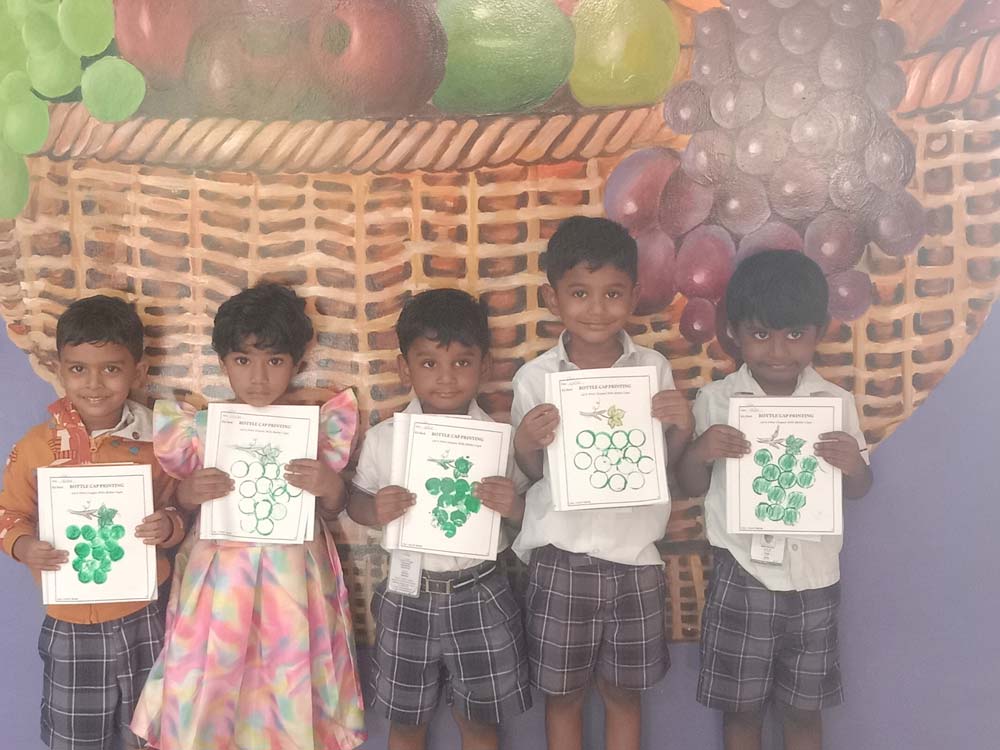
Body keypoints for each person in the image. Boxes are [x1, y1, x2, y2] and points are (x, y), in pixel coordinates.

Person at [130, 283, 365, 750]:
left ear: (296, 363)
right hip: (220, 579)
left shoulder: (313, 428)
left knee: (289, 670)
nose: (258, 377)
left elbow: (333, 506)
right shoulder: (200, 430)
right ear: (223, 363)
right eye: (243, 360)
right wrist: (190, 492)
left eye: (275, 361)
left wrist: (329, 486)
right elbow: (180, 504)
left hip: (293, 578)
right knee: (211, 670)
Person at [676, 250, 874, 750]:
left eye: (795, 334)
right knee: (741, 712)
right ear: (735, 332)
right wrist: (701, 450)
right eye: (761, 334)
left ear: (818, 333)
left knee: (804, 712)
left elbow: (859, 488)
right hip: (742, 573)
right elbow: (691, 484)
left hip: (814, 580)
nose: (779, 351)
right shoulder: (717, 400)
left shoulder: (835, 404)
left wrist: (853, 465)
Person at [511, 216, 693, 750]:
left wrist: (682, 426)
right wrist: (527, 440)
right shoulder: (535, 378)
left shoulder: (653, 369)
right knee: (563, 695)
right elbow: (532, 474)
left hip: (635, 557)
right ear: (552, 297)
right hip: (561, 557)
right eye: (579, 293)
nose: (596, 308)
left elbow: (661, 466)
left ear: (634, 295)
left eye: (612, 293)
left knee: (624, 693)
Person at [347, 288, 531, 750]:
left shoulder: (500, 440)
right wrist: (375, 509)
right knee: (406, 723)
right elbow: (356, 502)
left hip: (481, 590)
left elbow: (526, 515)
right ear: (404, 368)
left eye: (462, 362)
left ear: (484, 366)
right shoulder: (385, 439)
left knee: (481, 723)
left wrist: (513, 506)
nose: (446, 377)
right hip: (408, 593)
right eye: (429, 363)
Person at [0, 295, 185, 750]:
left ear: (138, 371)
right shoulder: (37, 446)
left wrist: (168, 526)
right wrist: (24, 545)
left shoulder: (158, 441)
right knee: (76, 738)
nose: (94, 383)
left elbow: (179, 508)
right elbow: (9, 514)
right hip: (71, 622)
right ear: (60, 370)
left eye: (111, 368)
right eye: (79, 368)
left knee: (152, 733)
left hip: (147, 615)